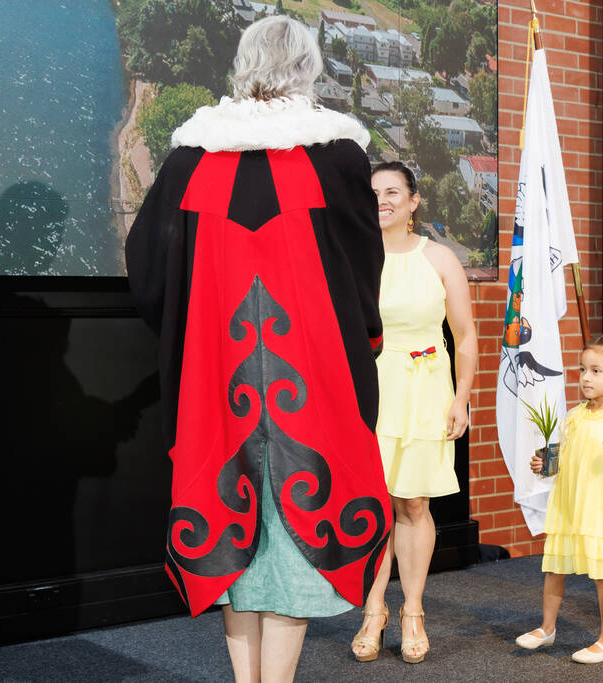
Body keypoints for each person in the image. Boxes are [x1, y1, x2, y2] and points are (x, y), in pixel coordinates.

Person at [125, 16, 392, 683]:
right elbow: (362, 268)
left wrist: (192, 338)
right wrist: (366, 340)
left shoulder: (191, 157)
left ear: (241, 65)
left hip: (216, 387)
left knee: (229, 542)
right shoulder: (337, 156)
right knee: (299, 542)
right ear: (308, 66)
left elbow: (147, 269)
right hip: (316, 387)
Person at [351, 161, 478, 664]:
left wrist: (462, 396)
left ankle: (413, 612)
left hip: (427, 390)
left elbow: (465, 335)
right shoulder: (353, 259)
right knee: (373, 505)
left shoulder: (440, 257)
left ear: (413, 200)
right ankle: (373, 611)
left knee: (413, 504)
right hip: (370, 391)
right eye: (373, 192)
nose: (381, 200)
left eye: (392, 192)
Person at [515, 333, 603, 664]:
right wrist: (545, 466)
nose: (586, 378)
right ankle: (547, 627)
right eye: (582, 370)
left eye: (595, 371)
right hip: (571, 507)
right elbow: (564, 459)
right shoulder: (574, 416)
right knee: (555, 568)